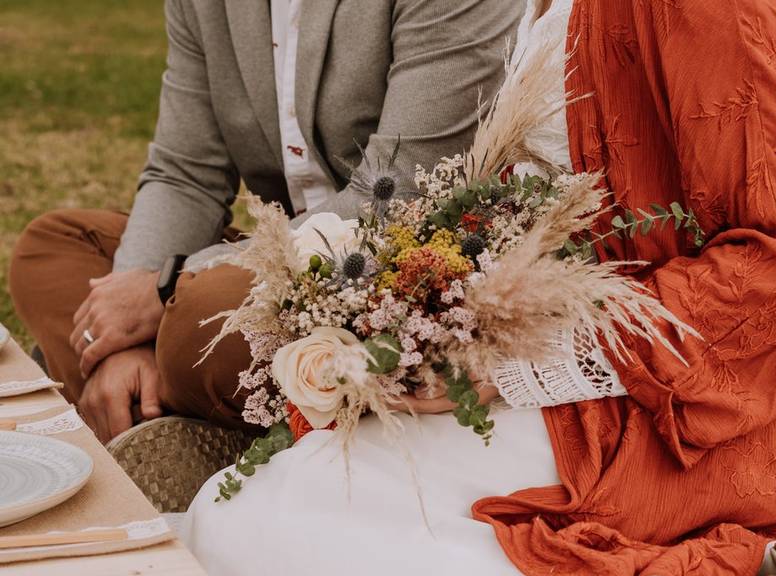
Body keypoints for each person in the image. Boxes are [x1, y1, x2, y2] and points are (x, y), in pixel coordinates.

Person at [182, 1, 776, 576]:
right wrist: (432, 311)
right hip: (562, 385)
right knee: (239, 519)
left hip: (682, 421)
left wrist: (514, 365)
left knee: (256, 533)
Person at [8, 0, 523, 443]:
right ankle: (155, 410)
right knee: (52, 249)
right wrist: (121, 331)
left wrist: (165, 290)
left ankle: (160, 414)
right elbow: (185, 174)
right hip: (274, 267)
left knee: (197, 322)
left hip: (403, 276)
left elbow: (400, 196)